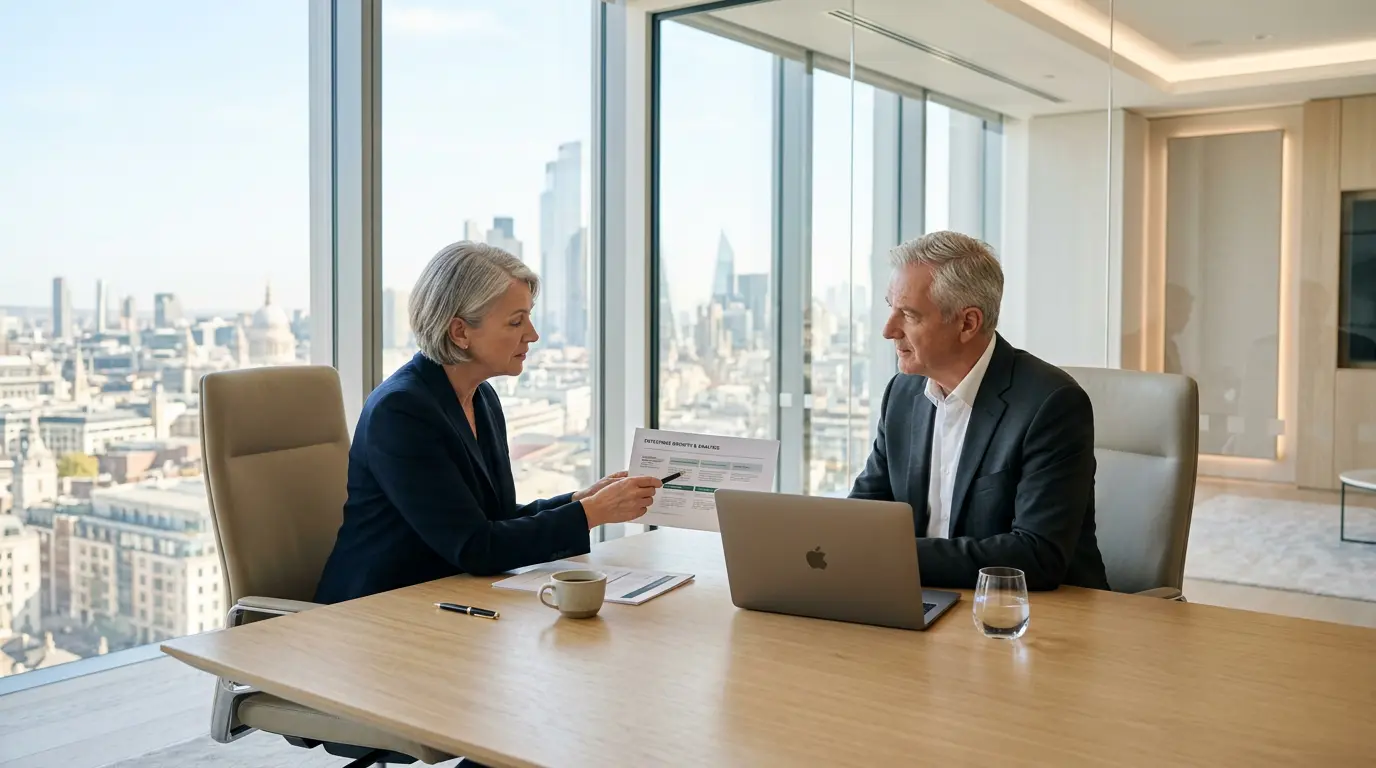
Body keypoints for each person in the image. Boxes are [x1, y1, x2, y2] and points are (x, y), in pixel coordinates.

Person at [315, 241, 661, 604]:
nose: (533, 334)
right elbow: (475, 546)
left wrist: (581, 500)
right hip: (374, 610)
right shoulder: (401, 411)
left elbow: (496, 520)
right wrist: (591, 513)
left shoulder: (481, 398)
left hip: (446, 598)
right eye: (516, 321)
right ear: (460, 332)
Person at [850, 231, 1110, 591]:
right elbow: (867, 510)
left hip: (1031, 611)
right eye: (890, 308)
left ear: (968, 323)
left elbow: (1037, 555)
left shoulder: (1051, 404)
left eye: (908, 315)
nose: (888, 330)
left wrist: (894, 556)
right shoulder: (902, 394)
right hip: (925, 597)